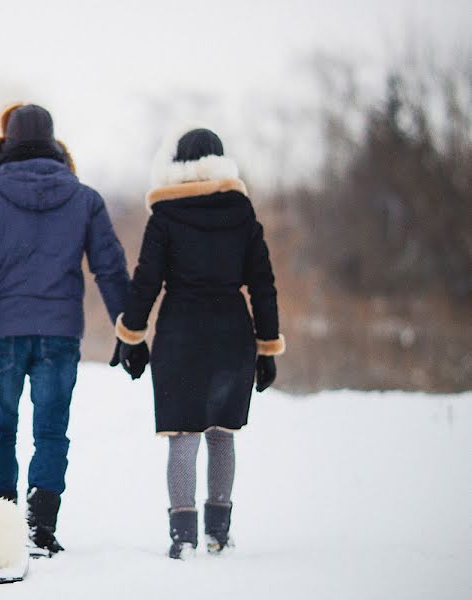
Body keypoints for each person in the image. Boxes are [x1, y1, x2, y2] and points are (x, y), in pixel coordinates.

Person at [0, 103, 130, 556]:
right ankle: (40, 528)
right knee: (51, 432)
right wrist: (129, 331)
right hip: (59, 334)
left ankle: (1, 526)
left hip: (1, 335)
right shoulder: (84, 197)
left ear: (6, 143)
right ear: (53, 141)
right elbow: (110, 268)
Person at [112, 128, 285, 558]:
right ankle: (218, 532)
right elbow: (263, 284)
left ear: (178, 165)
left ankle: (182, 535)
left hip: (181, 334)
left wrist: (131, 336)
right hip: (232, 334)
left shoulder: (166, 214)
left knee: (183, 435)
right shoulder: (241, 213)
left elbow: (147, 281)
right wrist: (266, 345)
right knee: (223, 434)